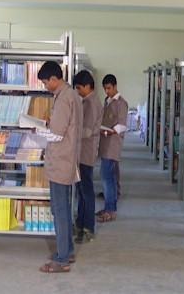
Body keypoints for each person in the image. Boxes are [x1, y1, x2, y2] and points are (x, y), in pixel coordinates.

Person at [37, 61, 83, 273]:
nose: (46, 86)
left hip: (61, 161)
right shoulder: (69, 95)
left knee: (60, 210)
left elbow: (57, 134)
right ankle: (68, 250)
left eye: (46, 82)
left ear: (54, 79)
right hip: (65, 160)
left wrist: (36, 130)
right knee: (62, 208)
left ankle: (62, 258)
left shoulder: (64, 97)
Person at [73, 70, 103, 243]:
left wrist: (71, 131)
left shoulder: (91, 103)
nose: (77, 91)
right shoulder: (87, 101)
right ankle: (81, 223)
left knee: (86, 191)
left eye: (78, 88)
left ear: (87, 86)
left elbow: (88, 131)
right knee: (82, 191)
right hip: (83, 152)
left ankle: (88, 227)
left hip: (86, 153)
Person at [97, 74, 128, 222]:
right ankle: (109, 206)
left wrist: (110, 130)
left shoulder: (121, 103)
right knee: (110, 177)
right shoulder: (107, 101)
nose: (107, 91)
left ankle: (110, 210)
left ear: (115, 86)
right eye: (105, 89)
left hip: (113, 144)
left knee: (106, 177)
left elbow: (122, 125)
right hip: (105, 142)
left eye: (109, 88)